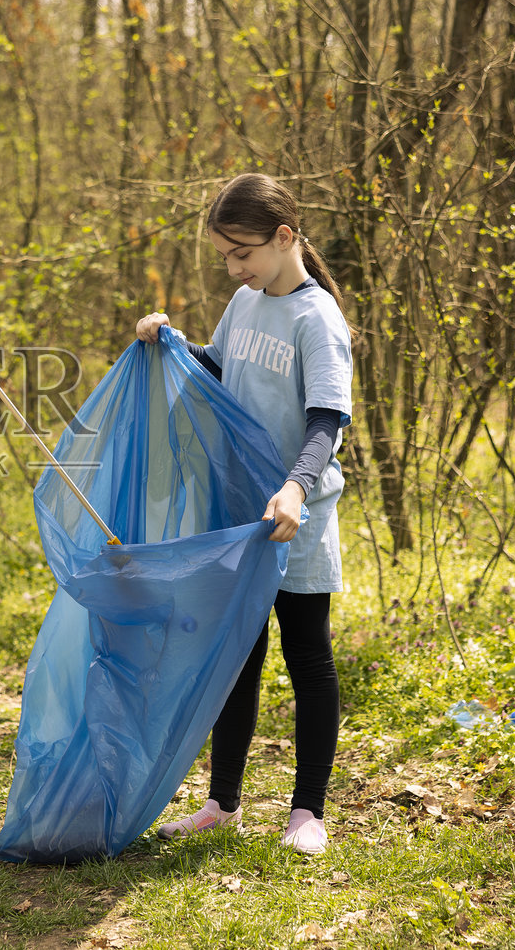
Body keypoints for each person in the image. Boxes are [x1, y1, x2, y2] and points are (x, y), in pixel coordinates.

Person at [135, 173, 351, 856]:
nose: (233, 268)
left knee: (307, 656)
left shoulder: (318, 320)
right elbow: (219, 370)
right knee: (237, 658)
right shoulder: (245, 301)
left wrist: (295, 489)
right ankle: (222, 802)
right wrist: (170, 342)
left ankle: (307, 812)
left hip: (296, 517)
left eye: (242, 253)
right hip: (242, 515)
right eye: (226, 256)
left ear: (285, 238)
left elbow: (326, 421)